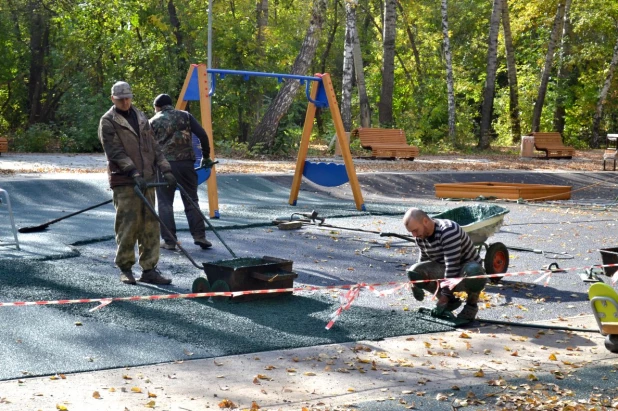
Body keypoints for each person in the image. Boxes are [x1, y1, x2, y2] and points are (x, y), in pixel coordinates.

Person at [98, 81, 177, 285]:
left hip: (147, 179)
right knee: (128, 225)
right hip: (125, 181)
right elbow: (114, 151)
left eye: (127, 98)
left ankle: (150, 269)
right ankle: (125, 267)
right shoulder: (108, 121)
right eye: (120, 99)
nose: (125, 102)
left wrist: (165, 168)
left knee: (150, 225)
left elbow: (153, 145)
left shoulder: (141, 116)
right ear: (112, 99)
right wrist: (132, 172)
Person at [149, 93, 215, 251]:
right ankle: (200, 236)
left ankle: (170, 241)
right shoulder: (185, 116)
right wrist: (205, 156)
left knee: (165, 203)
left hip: (164, 167)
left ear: (156, 107)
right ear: (171, 105)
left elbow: (148, 147)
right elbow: (202, 135)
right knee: (191, 200)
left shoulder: (152, 121)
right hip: (186, 164)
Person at [402, 207, 487, 320]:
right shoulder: (421, 238)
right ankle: (450, 302)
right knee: (415, 271)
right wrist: (416, 282)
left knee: (474, 271)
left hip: (464, 271)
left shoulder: (448, 230)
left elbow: (452, 264)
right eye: (411, 232)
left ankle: (471, 306)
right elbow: (422, 262)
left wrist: (444, 296)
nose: (414, 235)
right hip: (445, 269)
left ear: (425, 221)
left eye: (415, 230)